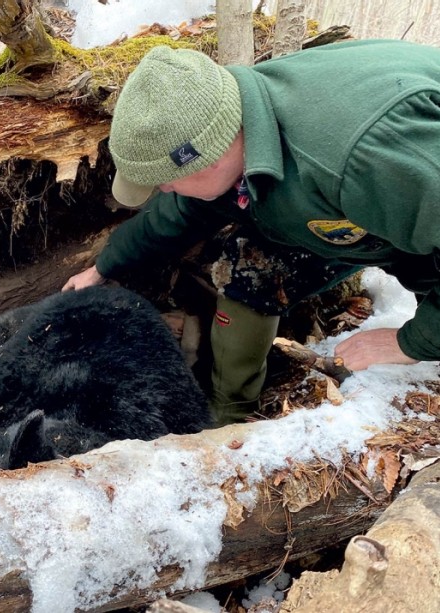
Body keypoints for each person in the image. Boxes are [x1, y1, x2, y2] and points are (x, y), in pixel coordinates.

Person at [62, 40, 440, 426]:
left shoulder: (363, 157)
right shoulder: (234, 127)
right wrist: (105, 265)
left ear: (206, 156)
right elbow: (180, 210)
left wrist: (410, 343)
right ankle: (229, 415)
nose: (162, 190)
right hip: (371, 211)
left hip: (396, 198)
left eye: (164, 180)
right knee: (253, 270)